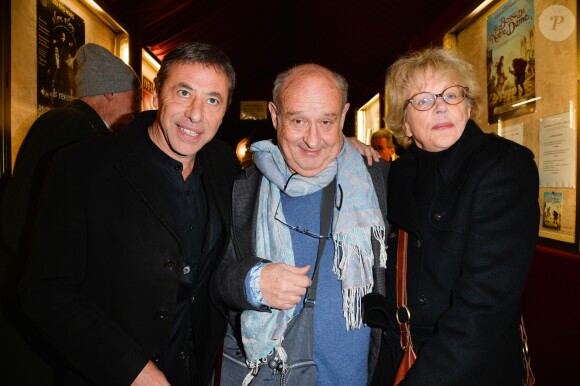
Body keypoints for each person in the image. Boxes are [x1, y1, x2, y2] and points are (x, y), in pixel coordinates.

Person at [18, 42, 240, 386]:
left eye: (212, 100)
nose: (196, 114)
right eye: (184, 93)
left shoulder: (223, 164)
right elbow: (46, 292)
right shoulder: (82, 166)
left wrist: (345, 150)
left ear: (224, 112)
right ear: (155, 97)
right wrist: (131, 369)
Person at [215, 63, 390, 385]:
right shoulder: (243, 189)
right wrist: (253, 282)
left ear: (344, 114)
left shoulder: (378, 181)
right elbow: (216, 275)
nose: (313, 139)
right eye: (297, 121)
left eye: (327, 121)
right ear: (275, 115)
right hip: (272, 374)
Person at [376, 47, 539, 385]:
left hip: (468, 364)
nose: (440, 106)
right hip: (402, 352)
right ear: (404, 123)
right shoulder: (395, 175)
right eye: (423, 100)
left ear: (468, 105)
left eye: (451, 94)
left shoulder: (503, 166)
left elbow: (484, 305)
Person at [1, 42, 141, 260]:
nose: (136, 108)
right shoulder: (80, 129)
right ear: (110, 93)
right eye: (135, 97)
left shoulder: (61, 120)